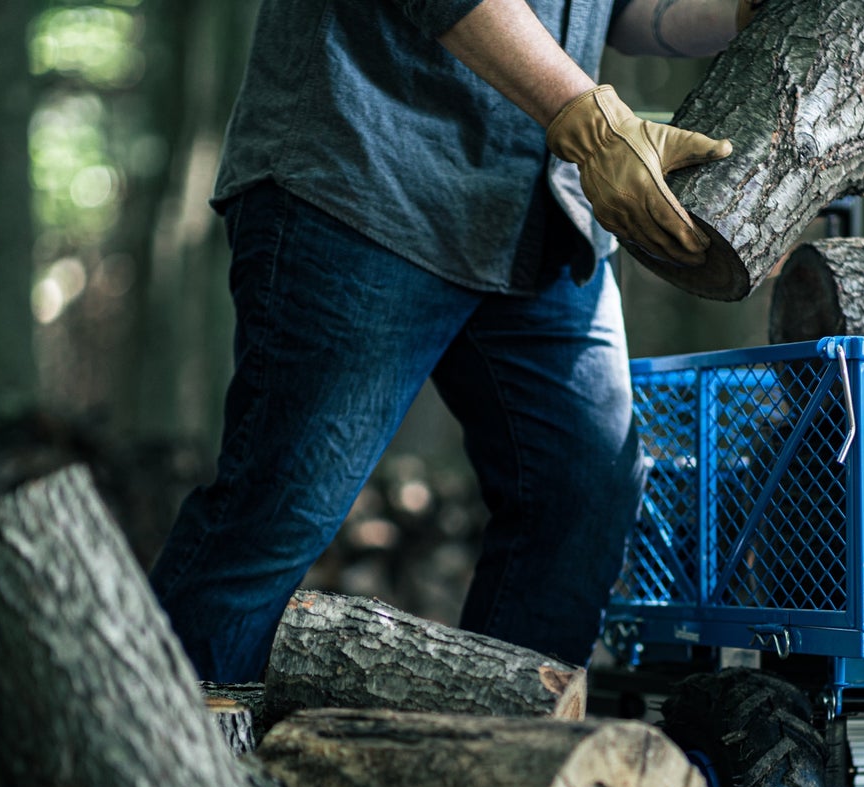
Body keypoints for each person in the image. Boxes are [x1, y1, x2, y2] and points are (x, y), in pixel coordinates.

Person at [148, 0, 763, 682]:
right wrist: (595, 125)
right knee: (276, 515)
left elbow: (625, 11)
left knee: (583, 499)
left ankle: (501, 769)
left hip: (540, 217)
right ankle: (155, 765)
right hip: (365, 175)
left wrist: (743, 9)